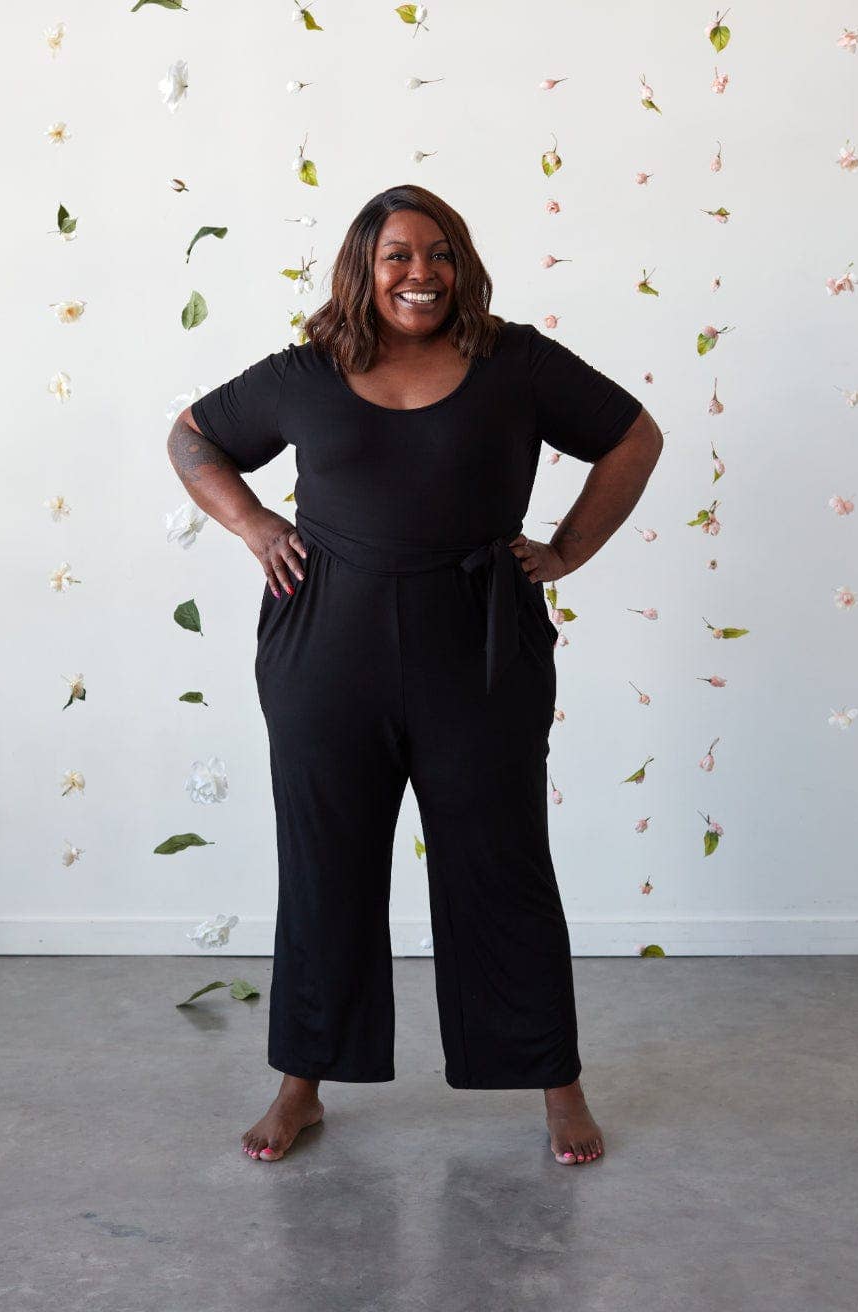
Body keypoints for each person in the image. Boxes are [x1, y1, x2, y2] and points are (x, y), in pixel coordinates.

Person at [167, 184, 663, 1168]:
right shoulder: (307, 370)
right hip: (324, 648)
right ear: (364, 267)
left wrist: (567, 548)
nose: (420, 273)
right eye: (397, 255)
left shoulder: (515, 362)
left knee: (502, 863)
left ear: (461, 264)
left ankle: (557, 1084)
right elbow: (192, 437)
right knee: (325, 863)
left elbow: (633, 436)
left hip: (480, 646)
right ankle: (301, 1085)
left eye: (438, 253)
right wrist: (254, 524)